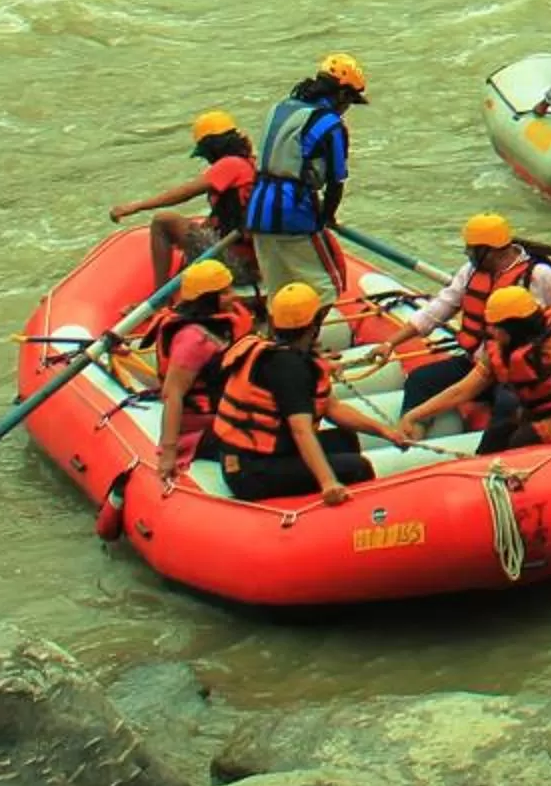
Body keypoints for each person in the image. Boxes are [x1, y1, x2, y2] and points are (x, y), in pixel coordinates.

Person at [206, 280, 406, 504]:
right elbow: (301, 430)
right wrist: (328, 481)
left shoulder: (276, 351)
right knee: (359, 468)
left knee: (344, 440)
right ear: (314, 325)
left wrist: (384, 431)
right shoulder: (289, 368)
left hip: (260, 455)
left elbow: (333, 408)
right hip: (251, 472)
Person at [391, 215, 551, 434]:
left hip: (520, 372)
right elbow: (438, 309)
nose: (467, 254)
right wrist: (390, 343)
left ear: (489, 251)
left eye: (471, 249)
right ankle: (411, 434)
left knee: (507, 406)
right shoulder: (470, 272)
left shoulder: (541, 276)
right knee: (420, 380)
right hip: (479, 365)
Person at [397, 287, 551, 458]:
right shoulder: (501, 349)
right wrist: (415, 415)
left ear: (513, 327)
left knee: (522, 441)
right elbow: (462, 390)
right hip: (543, 414)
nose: (490, 331)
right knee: (494, 439)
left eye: (495, 326)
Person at [245, 54, 368, 294]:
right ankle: (310, 331)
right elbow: (336, 181)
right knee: (328, 289)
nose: (346, 109)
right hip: (294, 212)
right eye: (349, 101)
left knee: (277, 290)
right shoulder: (330, 124)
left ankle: (279, 330)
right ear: (342, 95)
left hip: (257, 210)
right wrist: (327, 216)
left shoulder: (279, 109)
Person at [108, 110, 260, 287]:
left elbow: (185, 192)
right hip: (247, 260)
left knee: (163, 221)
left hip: (238, 265)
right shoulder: (248, 162)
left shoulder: (230, 165)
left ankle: (159, 297)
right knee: (198, 232)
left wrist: (136, 206)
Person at [143, 258, 254, 488]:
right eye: (225, 292)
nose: (233, 296)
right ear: (208, 300)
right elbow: (173, 395)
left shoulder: (225, 321)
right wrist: (169, 453)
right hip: (200, 429)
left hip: (228, 414)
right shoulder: (194, 339)